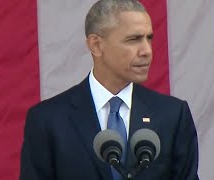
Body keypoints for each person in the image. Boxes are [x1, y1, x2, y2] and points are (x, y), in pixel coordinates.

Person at [19, 0, 199, 179]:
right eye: (133, 39)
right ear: (96, 45)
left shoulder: (172, 115)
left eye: (149, 38)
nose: (147, 51)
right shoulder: (48, 120)